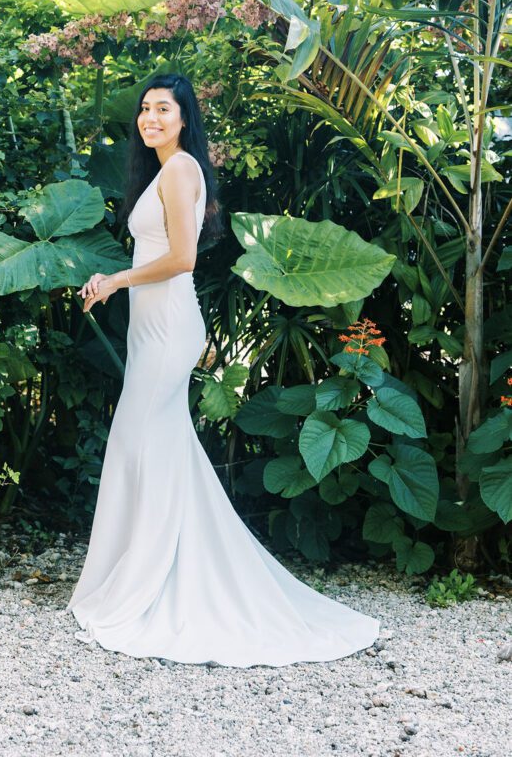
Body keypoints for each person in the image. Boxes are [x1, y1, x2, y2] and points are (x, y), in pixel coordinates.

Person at [65, 73, 380, 667]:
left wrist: (114, 280)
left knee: (143, 440)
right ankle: (155, 569)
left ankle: (149, 581)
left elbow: (182, 259)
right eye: (145, 109)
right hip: (150, 326)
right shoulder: (161, 172)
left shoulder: (182, 168)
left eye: (164, 109)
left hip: (168, 328)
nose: (150, 117)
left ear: (184, 119)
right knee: (154, 444)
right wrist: (118, 282)